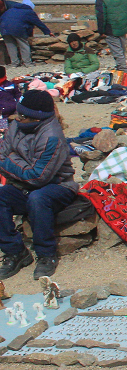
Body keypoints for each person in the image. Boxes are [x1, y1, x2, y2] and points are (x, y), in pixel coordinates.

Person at [0, 88, 78, 279]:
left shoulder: (52, 136)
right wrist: (19, 164)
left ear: (37, 119)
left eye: (23, 116)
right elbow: (2, 155)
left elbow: (38, 177)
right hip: (23, 184)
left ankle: (46, 254)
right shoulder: (16, 126)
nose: (17, 118)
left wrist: (10, 160)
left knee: (38, 198)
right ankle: (15, 252)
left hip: (59, 186)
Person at [92, 0, 127, 70]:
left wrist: (101, 31)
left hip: (110, 29)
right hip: (123, 27)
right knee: (122, 49)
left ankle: (123, 69)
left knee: (117, 51)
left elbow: (101, 17)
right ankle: (121, 66)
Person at [0, 0, 52, 67]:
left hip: (4, 29)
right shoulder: (28, 12)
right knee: (24, 45)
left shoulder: (10, 10)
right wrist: (48, 32)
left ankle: (14, 63)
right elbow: (38, 23)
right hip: (18, 29)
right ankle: (27, 63)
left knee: (10, 46)